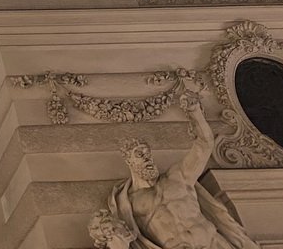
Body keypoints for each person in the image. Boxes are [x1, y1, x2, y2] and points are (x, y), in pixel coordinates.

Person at [102, 93, 259, 249]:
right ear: (129, 161)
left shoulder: (177, 177)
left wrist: (195, 112)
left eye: (147, 152)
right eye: (139, 154)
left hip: (213, 242)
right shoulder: (129, 202)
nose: (147, 157)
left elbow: (204, 146)